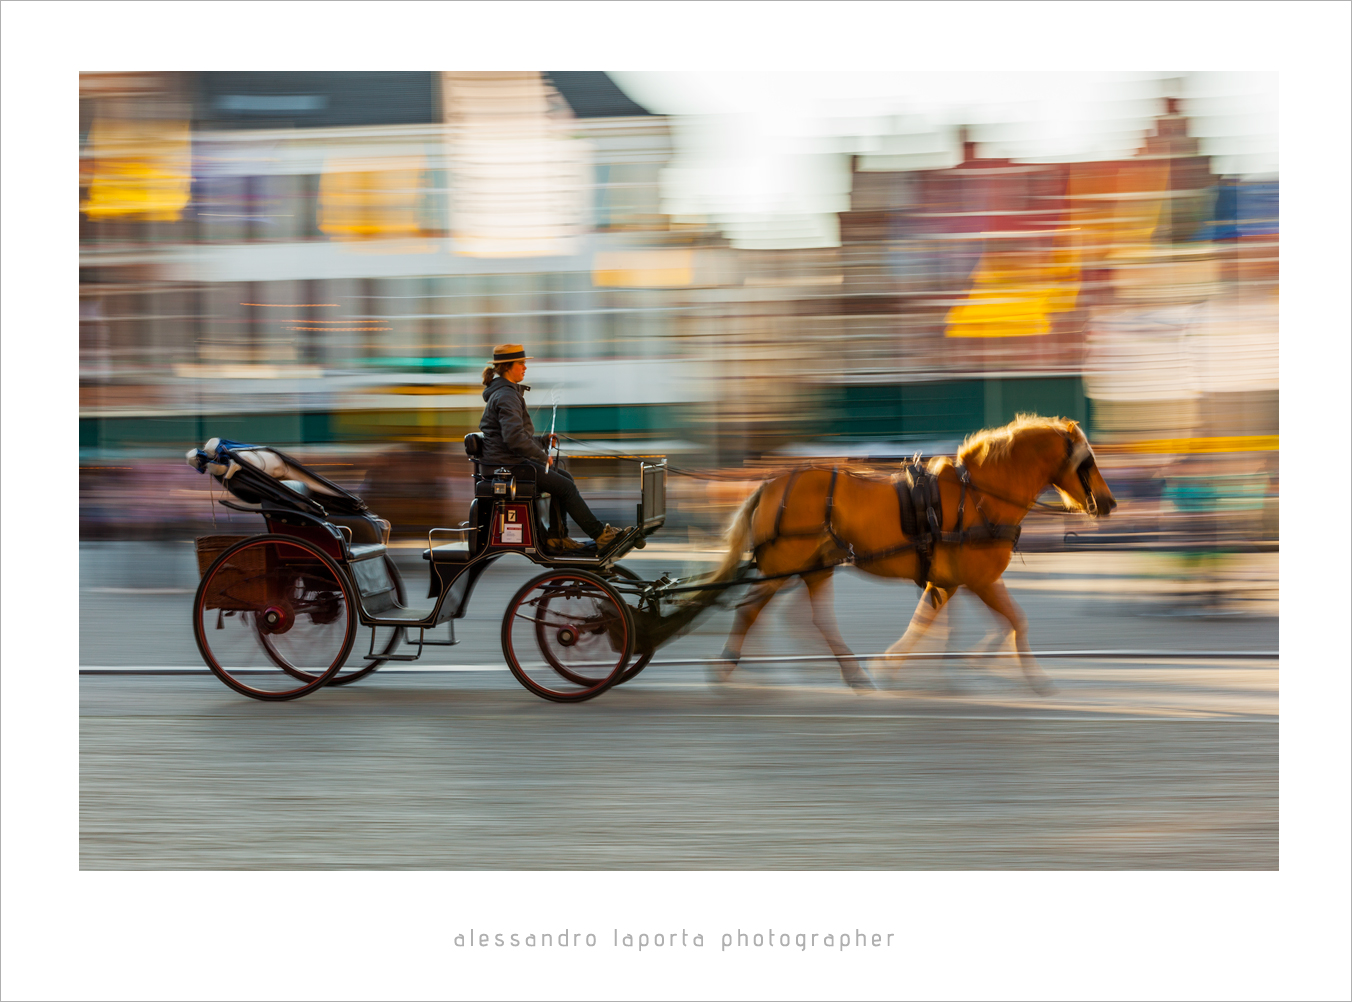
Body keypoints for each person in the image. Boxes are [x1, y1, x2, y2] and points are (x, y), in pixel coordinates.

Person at [479, 343, 631, 553]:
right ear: (507, 367)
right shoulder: (506, 395)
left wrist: (542, 441)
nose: (525, 367)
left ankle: (557, 536)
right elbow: (514, 439)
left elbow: (512, 437)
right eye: (521, 363)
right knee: (565, 487)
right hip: (506, 467)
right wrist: (542, 456)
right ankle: (600, 535)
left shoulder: (506, 393)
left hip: (506, 462)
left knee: (564, 478)